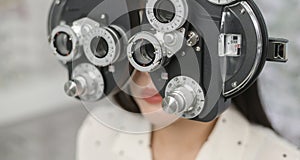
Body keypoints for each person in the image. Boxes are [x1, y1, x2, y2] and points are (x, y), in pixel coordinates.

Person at [76, 70, 300, 160]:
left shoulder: (277, 156)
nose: (146, 78)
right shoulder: (99, 133)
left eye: (172, 55)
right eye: (134, 53)